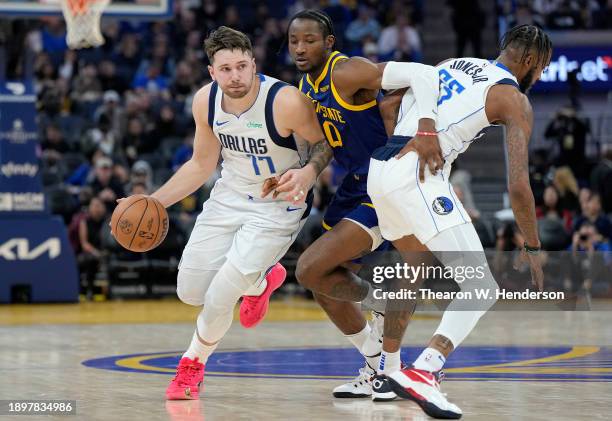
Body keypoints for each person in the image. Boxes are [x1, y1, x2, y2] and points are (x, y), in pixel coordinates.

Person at [113, 26, 333, 400]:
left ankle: (192, 365)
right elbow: (200, 165)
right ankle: (262, 281)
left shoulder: (285, 101)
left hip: (278, 204)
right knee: (190, 292)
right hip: (228, 196)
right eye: (226, 68)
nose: (235, 76)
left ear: (253, 64)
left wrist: (308, 172)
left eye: (242, 66)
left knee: (219, 295)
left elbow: (324, 143)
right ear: (212, 72)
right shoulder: (205, 101)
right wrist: (152, 202)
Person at [365, 24, 551, 418]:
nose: (540, 76)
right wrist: (533, 245)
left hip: (380, 169)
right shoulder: (512, 98)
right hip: (417, 173)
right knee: (481, 287)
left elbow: (386, 107)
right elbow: (518, 184)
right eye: (542, 68)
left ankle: (388, 368)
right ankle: (426, 369)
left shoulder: (452, 63)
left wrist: (408, 141)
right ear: (531, 61)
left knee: (411, 268)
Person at [277, 9, 443, 399]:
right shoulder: (305, 83)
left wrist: (425, 125)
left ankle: (387, 342)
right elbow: (326, 144)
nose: (300, 48)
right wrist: (304, 173)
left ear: (329, 43)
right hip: (352, 187)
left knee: (308, 269)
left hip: (382, 185)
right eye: (293, 41)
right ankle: (377, 364)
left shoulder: (347, 72)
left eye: (309, 41)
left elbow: (423, 74)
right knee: (323, 284)